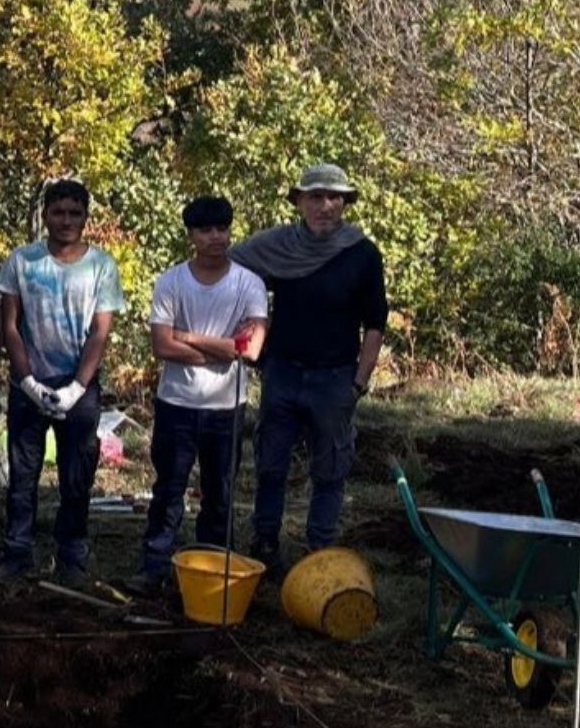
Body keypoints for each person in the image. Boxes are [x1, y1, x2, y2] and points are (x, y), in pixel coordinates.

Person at [231, 163, 387, 566]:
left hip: (335, 377)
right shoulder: (278, 246)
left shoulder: (362, 254)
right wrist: (245, 338)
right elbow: (226, 270)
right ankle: (265, 543)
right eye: (316, 197)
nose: (325, 206)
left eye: (334, 197)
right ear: (299, 201)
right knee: (270, 463)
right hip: (282, 371)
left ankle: (320, 552)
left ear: (346, 203)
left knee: (330, 468)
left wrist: (358, 383)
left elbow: (375, 323)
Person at [128, 196, 268, 597]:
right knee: (168, 489)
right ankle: (154, 567)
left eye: (222, 228)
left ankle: (213, 571)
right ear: (191, 235)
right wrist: (224, 347)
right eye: (206, 230)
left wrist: (187, 336)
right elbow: (162, 346)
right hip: (177, 403)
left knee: (220, 494)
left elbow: (251, 350)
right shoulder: (171, 282)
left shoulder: (249, 283)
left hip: (227, 406)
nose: (215, 237)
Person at [0, 178, 125, 588]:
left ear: (85, 217)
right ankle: (17, 551)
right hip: (29, 383)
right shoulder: (22, 262)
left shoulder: (101, 266)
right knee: (22, 474)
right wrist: (26, 380)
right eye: (58, 212)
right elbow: (9, 325)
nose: (66, 220)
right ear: (46, 215)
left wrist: (77, 387)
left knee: (76, 475)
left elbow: (100, 332)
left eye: (74, 213)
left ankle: (72, 555)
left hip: (79, 386)